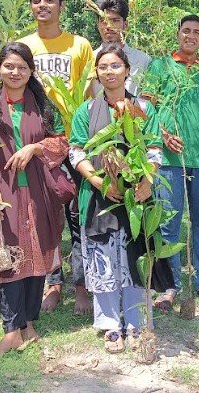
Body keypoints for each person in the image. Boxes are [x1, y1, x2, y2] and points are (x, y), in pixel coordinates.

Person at [69, 43, 174, 353]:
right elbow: (76, 150)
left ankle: (136, 321)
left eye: (116, 66)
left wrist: (146, 181)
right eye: (103, 67)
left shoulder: (143, 108)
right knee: (102, 258)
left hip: (136, 196)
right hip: (100, 195)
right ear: (97, 73)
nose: (109, 72)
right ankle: (110, 324)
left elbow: (154, 148)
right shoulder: (86, 110)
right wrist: (98, 181)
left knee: (135, 255)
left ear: (127, 71)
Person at [0, 42, 69, 358]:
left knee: (36, 254)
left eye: (22, 67)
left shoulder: (41, 104)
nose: (15, 72)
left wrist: (35, 149)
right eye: (10, 66)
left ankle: (28, 324)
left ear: (30, 72)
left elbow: (62, 143)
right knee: (7, 256)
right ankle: (11, 330)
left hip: (37, 192)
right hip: (4, 194)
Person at [18, 0, 95, 315]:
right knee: (46, 218)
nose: (43, 5)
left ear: (61, 6)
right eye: (37, 0)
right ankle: (53, 283)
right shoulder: (23, 46)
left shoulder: (80, 45)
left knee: (79, 217)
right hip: (37, 144)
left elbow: (91, 95)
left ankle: (81, 285)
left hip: (74, 142)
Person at [141, 14, 199, 311]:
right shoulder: (160, 66)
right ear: (178, 34)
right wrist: (162, 135)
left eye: (197, 32)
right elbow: (145, 109)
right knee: (169, 223)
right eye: (186, 30)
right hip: (168, 160)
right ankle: (169, 286)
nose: (191, 36)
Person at [92, 0, 151, 95]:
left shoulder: (143, 61)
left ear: (125, 25)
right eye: (103, 21)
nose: (109, 26)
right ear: (98, 25)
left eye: (115, 21)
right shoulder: (89, 59)